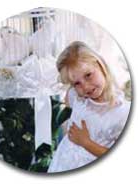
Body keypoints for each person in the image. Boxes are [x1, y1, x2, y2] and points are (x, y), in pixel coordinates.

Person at [48, 41, 131, 173]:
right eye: (77, 83)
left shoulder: (122, 112)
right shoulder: (76, 96)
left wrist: (86, 142)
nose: (85, 87)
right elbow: (68, 97)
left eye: (88, 75)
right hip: (63, 163)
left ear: (100, 65)